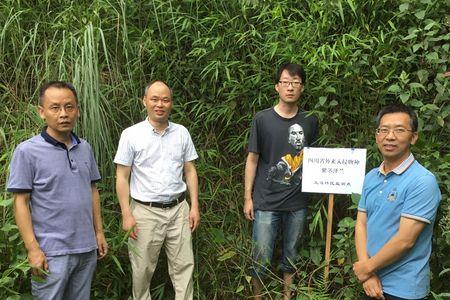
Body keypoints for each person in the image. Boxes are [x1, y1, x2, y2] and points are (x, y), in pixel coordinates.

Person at [7, 81, 108, 299]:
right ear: (42, 112)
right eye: (55, 108)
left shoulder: (85, 148)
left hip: (86, 249)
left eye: (69, 107)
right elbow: (20, 202)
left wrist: (98, 232)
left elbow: (92, 190)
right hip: (51, 253)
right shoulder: (27, 152)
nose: (63, 114)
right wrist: (33, 249)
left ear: (77, 111)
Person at [114, 80, 200, 300]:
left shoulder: (181, 133)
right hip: (144, 212)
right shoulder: (131, 135)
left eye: (165, 99)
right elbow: (122, 176)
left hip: (179, 209)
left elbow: (190, 170)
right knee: (141, 270)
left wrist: (194, 207)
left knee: (184, 268)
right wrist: (126, 213)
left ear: (171, 103)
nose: (159, 104)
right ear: (144, 101)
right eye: (154, 99)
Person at [244, 63, 319, 299]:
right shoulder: (262, 119)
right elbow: (253, 159)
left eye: (295, 83)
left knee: (292, 255)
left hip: (297, 202)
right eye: (286, 82)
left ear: (302, 88)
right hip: (265, 201)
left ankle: (288, 296)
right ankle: (258, 296)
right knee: (261, 256)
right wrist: (248, 197)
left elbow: (316, 157)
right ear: (277, 86)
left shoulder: (310, 120)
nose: (290, 87)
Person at [353, 103, 441, 300]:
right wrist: (367, 273)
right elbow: (361, 224)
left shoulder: (422, 181)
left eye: (399, 130)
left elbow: (405, 241)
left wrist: (365, 268)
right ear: (377, 135)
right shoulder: (371, 176)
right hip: (371, 282)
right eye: (383, 130)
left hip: (404, 288)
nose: (390, 136)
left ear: (414, 137)